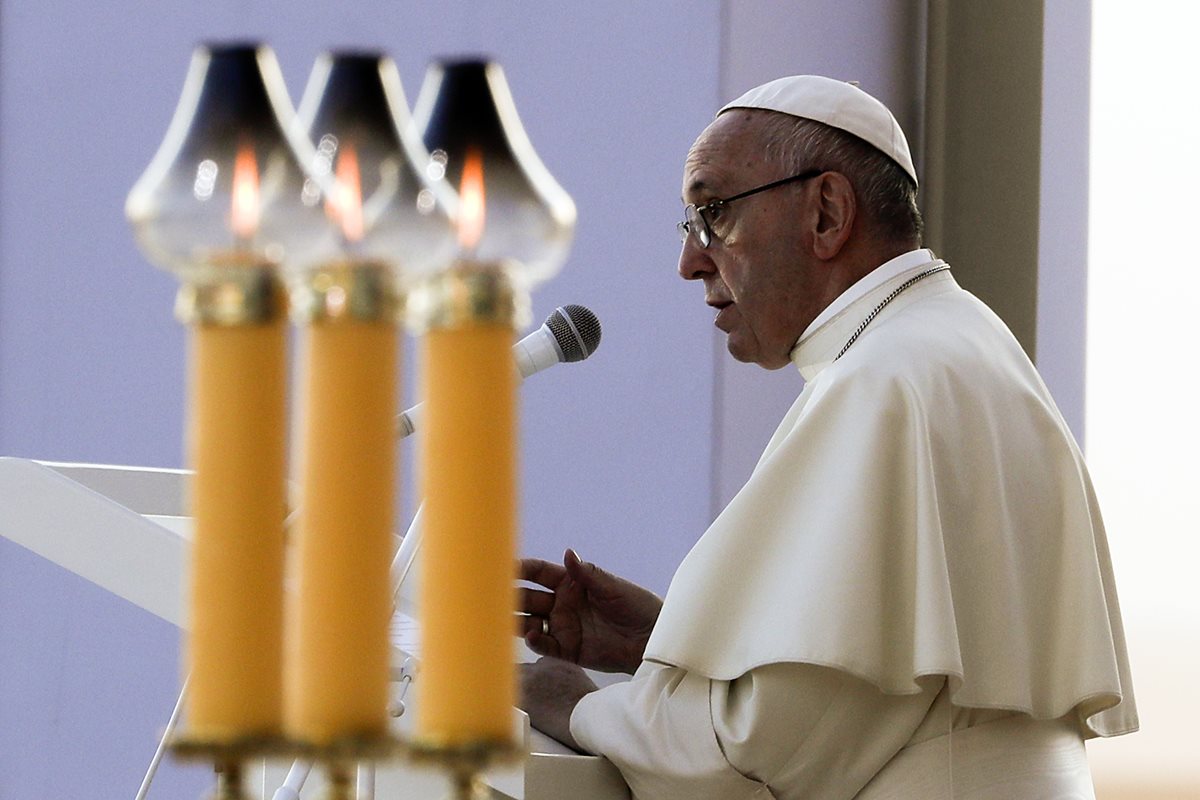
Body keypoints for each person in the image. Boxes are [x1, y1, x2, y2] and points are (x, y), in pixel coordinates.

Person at [517, 75, 1137, 799]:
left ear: (827, 213)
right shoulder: (963, 345)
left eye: (710, 214)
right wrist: (668, 644)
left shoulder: (884, 385)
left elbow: (748, 762)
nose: (689, 261)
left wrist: (570, 701)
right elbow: (892, 693)